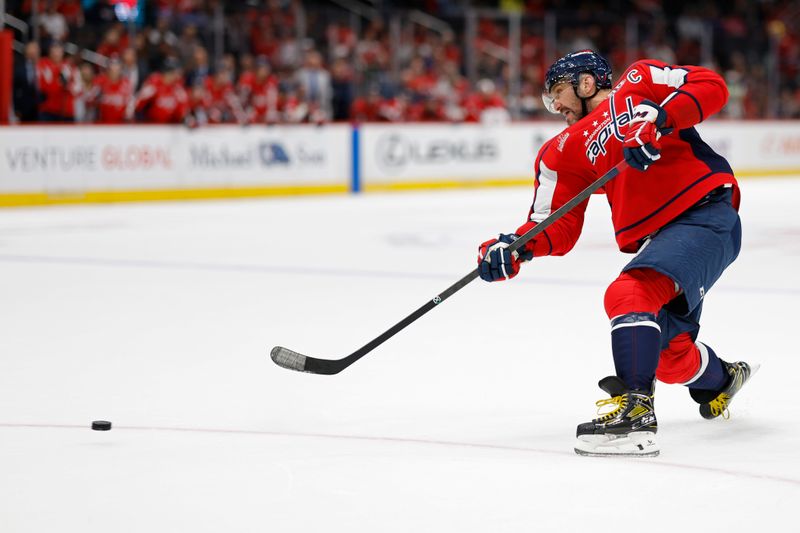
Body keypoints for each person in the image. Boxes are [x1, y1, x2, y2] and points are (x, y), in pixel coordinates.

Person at [477, 50, 757, 457]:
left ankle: (636, 415)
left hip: (705, 212)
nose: (555, 104)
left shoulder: (640, 81)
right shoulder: (559, 151)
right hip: (660, 240)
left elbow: (711, 86)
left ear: (586, 83)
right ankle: (721, 380)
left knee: (629, 294)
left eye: (558, 91)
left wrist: (659, 118)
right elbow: (555, 222)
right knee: (668, 356)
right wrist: (513, 249)